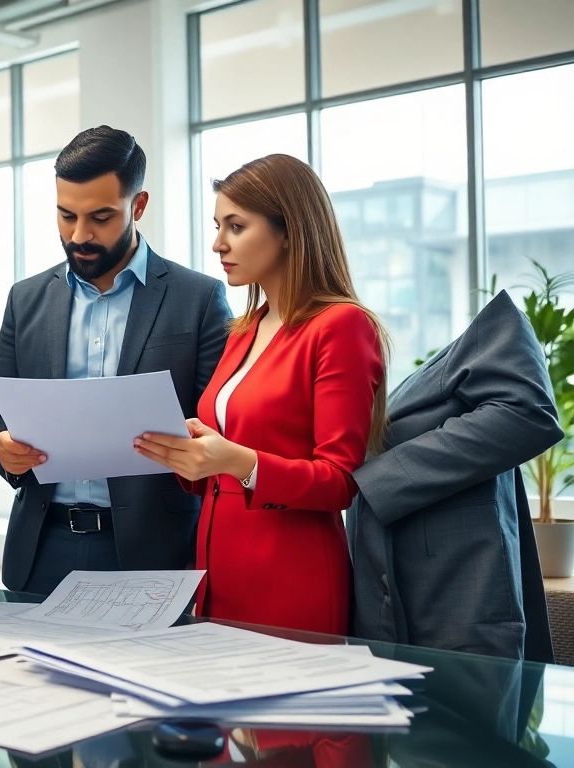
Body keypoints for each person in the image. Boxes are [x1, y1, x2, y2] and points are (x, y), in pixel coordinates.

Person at [135, 154, 388, 635]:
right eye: (217, 225)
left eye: (236, 226)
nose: (218, 243)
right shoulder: (245, 328)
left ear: (289, 230)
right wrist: (190, 452)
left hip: (290, 579)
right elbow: (227, 456)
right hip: (214, 575)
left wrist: (236, 460)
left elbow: (340, 481)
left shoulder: (341, 326)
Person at [0, 126, 231, 595]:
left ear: (138, 206)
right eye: (66, 215)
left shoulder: (197, 299)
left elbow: (219, 420)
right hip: (41, 547)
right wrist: (1, 444)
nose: (79, 235)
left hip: (153, 550)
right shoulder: (26, 299)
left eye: (100, 217)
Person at [347, 289, 562, 662]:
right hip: (405, 605)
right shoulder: (409, 394)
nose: (220, 244)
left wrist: (378, 479)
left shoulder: (498, 333)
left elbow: (531, 413)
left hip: (458, 610)